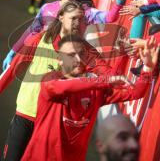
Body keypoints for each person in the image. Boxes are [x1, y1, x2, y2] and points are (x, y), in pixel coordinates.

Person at [0, 1, 127, 161]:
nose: (77, 23)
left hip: (53, 126)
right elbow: (11, 71)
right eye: (73, 18)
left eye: (81, 20)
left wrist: (122, 53)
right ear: (60, 17)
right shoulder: (39, 39)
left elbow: (110, 77)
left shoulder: (85, 51)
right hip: (26, 115)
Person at [21, 34, 158, 161]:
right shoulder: (50, 79)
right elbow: (65, 86)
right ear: (60, 60)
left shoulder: (96, 91)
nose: (78, 59)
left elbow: (135, 92)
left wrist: (148, 68)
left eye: (81, 54)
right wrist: (104, 81)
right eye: (71, 55)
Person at [3, 0, 129, 70]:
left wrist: (119, 2)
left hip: (68, 66)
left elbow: (109, 18)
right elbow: (31, 31)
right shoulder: (46, 8)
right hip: (42, 61)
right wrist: (14, 51)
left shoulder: (85, 11)